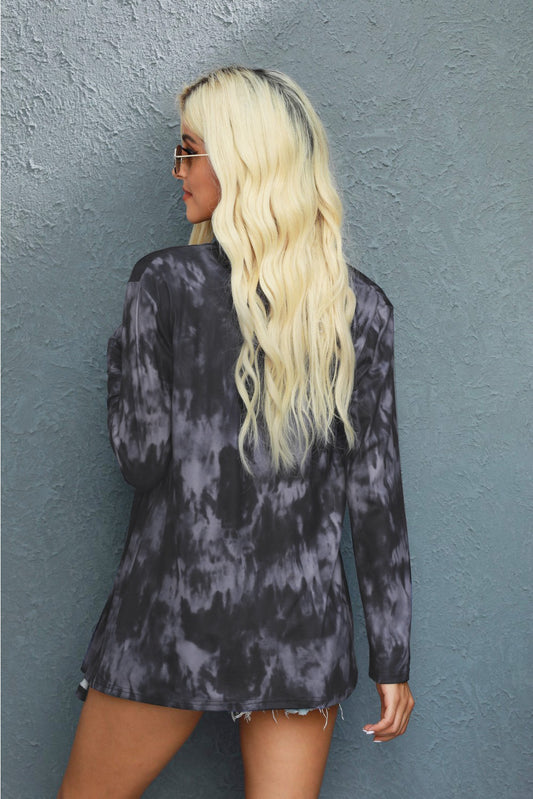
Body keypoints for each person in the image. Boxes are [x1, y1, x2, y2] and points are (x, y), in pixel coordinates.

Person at [58, 66, 414, 799]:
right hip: (299, 632)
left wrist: (125, 357)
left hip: (169, 623)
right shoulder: (359, 308)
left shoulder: (162, 283)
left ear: (241, 160)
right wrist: (392, 659)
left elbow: (140, 458)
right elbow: (376, 499)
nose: (178, 170)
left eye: (190, 150)